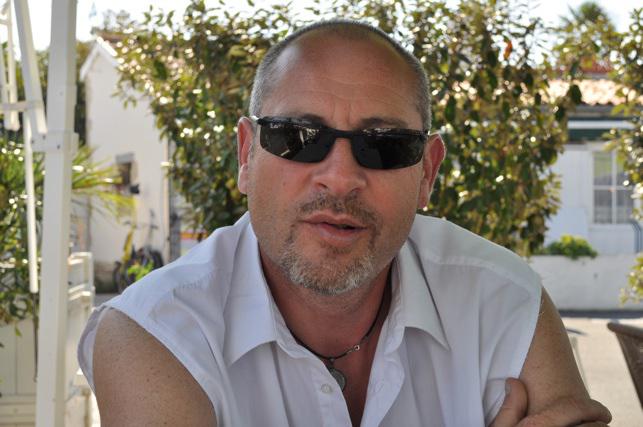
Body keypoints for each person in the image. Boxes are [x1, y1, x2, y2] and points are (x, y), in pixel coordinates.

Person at [78, 20, 611, 426]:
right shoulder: (154, 334)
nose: (340, 178)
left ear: (427, 173)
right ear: (246, 155)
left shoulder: (504, 302)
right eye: (298, 137)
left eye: (384, 145)